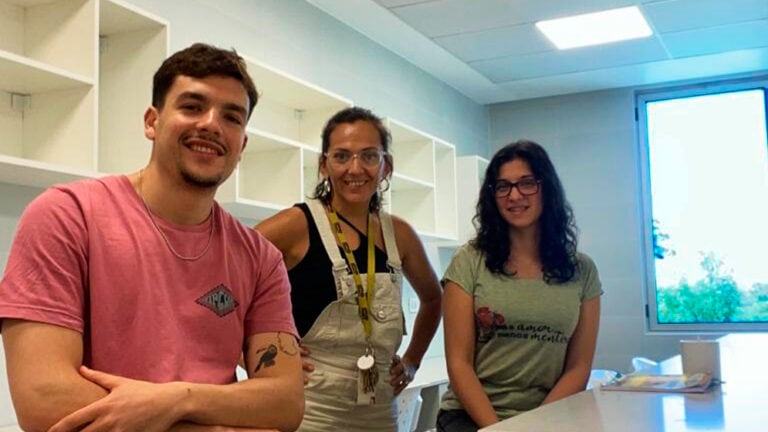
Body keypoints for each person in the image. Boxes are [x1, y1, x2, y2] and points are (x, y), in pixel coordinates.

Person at [0, 43, 304, 432]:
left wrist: (178, 399)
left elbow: (285, 401)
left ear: (241, 145)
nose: (212, 124)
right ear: (152, 121)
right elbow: (44, 399)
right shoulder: (67, 216)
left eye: (232, 117)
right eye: (192, 106)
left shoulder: (260, 258)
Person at [255, 107, 442, 431]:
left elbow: (434, 298)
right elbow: (224, 282)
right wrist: (255, 357)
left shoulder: (400, 236)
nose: (355, 168)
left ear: (386, 167)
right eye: (342, 156)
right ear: (324, 166)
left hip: (380, 414)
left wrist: (412, 360)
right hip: (308, 414)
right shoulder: (296, 224)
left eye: (369, 156)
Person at [437, 140, 602, 431]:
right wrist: (498, 429)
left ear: (546, 188)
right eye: (502, 187)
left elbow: (578, 367)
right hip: (472, 418)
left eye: (526, 183)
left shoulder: (582, 270)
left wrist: (536, 425)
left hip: (548, 417)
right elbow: (459, 363)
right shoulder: (469, 261)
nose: (514, 196)